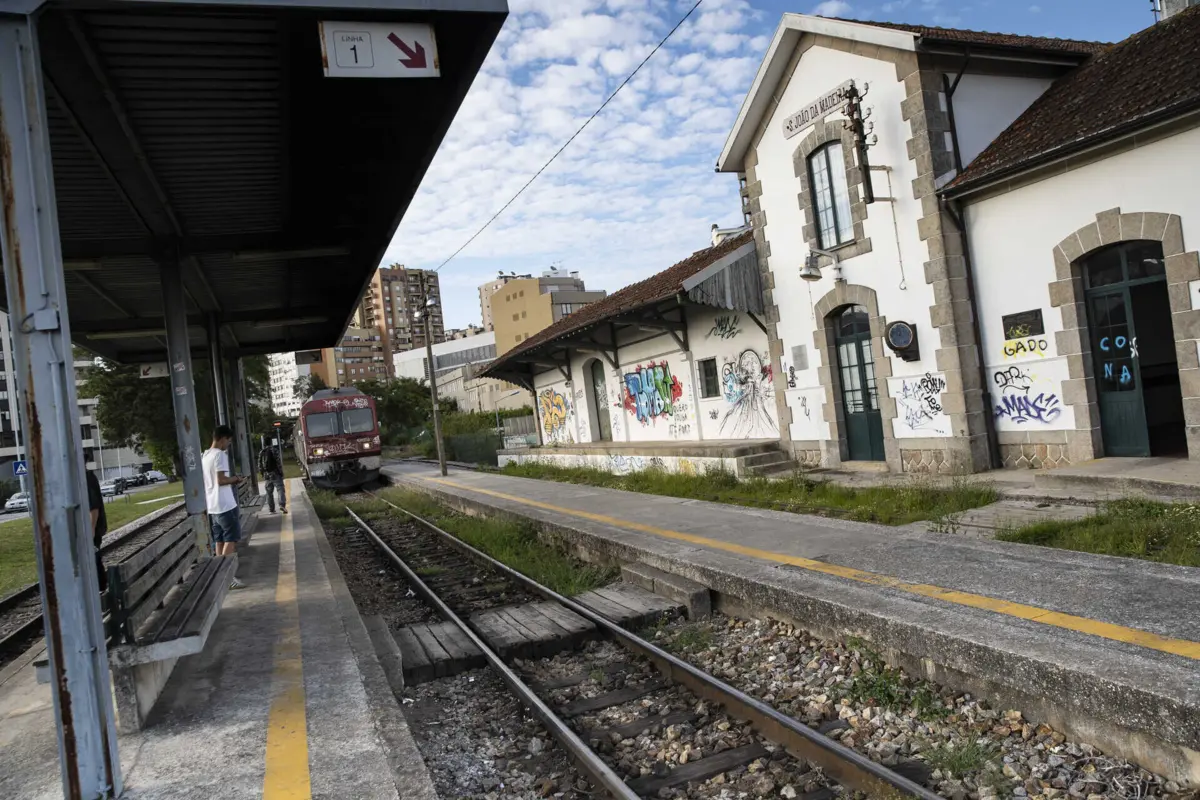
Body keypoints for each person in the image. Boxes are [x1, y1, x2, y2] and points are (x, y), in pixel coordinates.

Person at [202, 425, 247, 589]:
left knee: (219, 541)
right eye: (228, 441)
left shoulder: (205, 456)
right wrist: (236, 479)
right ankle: (227, 577)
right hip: (225, 505)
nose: (228, 444)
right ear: (222, 439)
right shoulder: (219, 455)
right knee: (230, 540)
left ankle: (219, 575)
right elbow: (221, 480)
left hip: (213, 506)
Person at [85, 470, 108, 595]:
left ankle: (99, 593)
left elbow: (93, 507)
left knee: (93, 562)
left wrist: (91, 530)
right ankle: (100, 590)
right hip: (90, 530)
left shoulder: (86, 477)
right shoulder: (87, 476)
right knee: (95, 561)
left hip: (90, 531)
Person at [258, 441, 287, 514]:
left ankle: (271, 509)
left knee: (269, 492)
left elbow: (259, 464)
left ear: (264, 444)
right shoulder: (274, 450)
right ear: (271, 443)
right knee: (280, 489)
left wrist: (262, 473)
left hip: (267, 475)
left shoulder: (262, 452)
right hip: (275, 474)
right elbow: (278, 462)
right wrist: (281, 472)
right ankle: (282, 505)